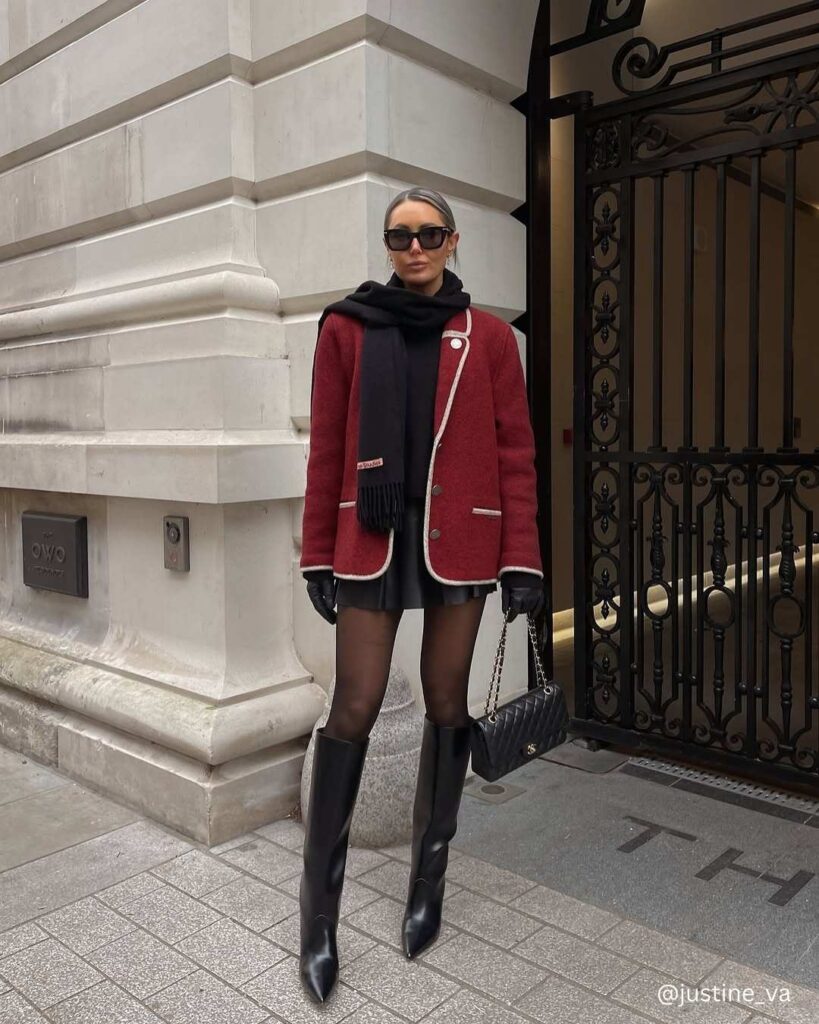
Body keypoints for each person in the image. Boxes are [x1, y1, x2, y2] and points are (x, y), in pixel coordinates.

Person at [297, 186, 545, 1002]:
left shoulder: (490, 336)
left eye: (428, 234)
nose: (414, 248)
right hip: (368, 536)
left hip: (460, 540)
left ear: (450, 239)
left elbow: (515, 452)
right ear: (386, 243)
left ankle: (426, 883)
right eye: (399, 236)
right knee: (354, 706)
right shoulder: (346, 326)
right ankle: (318, 918)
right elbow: (327, 446)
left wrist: (523, 561)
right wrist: (315, 556)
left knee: (446, 704)